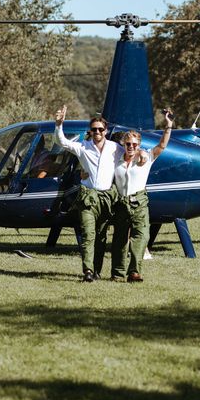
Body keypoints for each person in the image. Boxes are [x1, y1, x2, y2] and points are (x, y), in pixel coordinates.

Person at [54, 105, 146, 282]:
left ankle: (96, 270)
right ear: (90, 131)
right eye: (94, 129)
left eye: (100, 129)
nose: (97, 132)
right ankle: (88, 271)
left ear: (106, 131)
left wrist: (141, 152)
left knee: (101, 236)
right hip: (88, 196)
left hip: (107, 198)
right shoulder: (83, 147)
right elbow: (62, 142)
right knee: (88, 234)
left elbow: (131, 152)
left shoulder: (115, 148)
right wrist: (59, 124)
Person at [110, 109, 174, 282]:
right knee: (119, 239)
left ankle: (134, 272)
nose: (131, 147)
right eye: (128, 144)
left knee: (142, 236)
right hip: (122, 202)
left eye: (134, 145)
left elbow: (162, 146)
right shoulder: (116, 158)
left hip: (139, 202)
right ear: (123, 144)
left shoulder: (146, 157)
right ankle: (117, 273)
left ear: (139, 145)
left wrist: (168, 126)